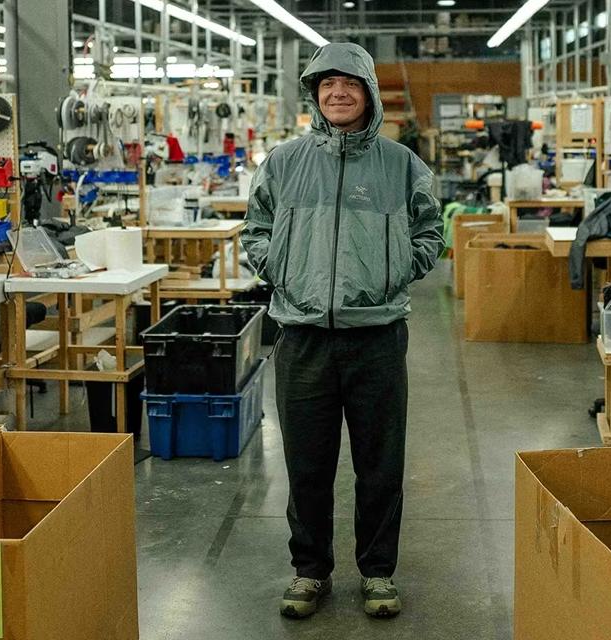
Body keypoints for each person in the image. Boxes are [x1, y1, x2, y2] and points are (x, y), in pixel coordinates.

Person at [241, 42, 443, 620]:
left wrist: (391, 273)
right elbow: (254, 230)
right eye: (327, 85)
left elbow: (431, 233)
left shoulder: (401, 164)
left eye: (349, 84)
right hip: (302, 335)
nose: (338, 93)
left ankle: (378, 573)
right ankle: (310, 571)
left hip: (376, 335)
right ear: (314, 95)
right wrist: (285, 270)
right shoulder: (283, 163)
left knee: (380, 464)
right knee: (307, 462)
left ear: (369, 93)